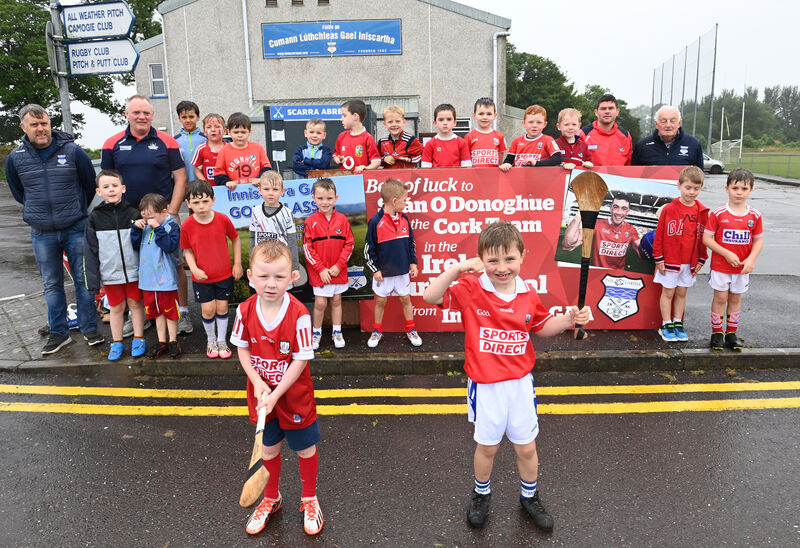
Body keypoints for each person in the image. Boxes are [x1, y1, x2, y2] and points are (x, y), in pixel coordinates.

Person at [422, 221, 590, 531]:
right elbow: (431, 297)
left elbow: (541, 328)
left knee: (526, 446)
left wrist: (568, 319)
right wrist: (459, 268)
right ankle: (481, 493)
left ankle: (530, 497)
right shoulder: (471, 287)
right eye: (493, 260)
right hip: (486, 386)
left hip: (520, 384)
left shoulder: (527, 293)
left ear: (523, 256)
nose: (502, 268)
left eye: (509, 259)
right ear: (481, 259)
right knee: (488, 447)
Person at [231, 240, 323, 537]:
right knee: (268, 449)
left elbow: (300, 360)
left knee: (305, 449)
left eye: (279, 276)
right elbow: (243, 351)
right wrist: (259, 384)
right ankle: (272, 498)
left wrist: (276, 393)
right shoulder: (244, 312)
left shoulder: (299, 315)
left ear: (293, 277)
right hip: (261, 396)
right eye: (264, 276)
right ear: (250, 276)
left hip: (293, 396)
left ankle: (309, 498)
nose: (271, 284)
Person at [5, 104, 103, 355]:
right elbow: (19, 193)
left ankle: (90, 327)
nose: (41, 129)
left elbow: (89, 185)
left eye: (44, 123)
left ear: (50, 124)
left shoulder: (72, 151)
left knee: (84, 281)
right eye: (35, 125)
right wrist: (38, 211)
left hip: (75, 227)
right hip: (42, 232)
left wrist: (76, 210)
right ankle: (59, 333)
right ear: (23, 127)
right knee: (52, 284)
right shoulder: (16, 158)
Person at [101, 95, 192, 336]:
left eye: (146, 113)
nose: (142, 117)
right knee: (135, 266)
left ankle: (181, 311)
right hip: (130, 218)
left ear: (152, 115)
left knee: (174, 264)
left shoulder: (168, 141)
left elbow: (180, 178)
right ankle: (142, 315)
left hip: (164, 214)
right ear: (126, 114)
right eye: (136, 112)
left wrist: (171, 212)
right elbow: (108, 181)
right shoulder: (112, 143)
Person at [84, 169, 146, 361]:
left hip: (134, 272)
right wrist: (93, 281)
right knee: (116, 308)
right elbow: (90, 250)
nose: (111, 190)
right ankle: (117, 342)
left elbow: (142, 244)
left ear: (123, 188)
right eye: (106, 187)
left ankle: (139, 338)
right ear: (98, 192)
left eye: (114, 186)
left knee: (136, 304)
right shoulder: (95, 217)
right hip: (110, 274)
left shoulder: (133, 213)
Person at [180, 180, 243, 359]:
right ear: (188, 203)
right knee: (208, 309)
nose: (201, 206)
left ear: (213, 200)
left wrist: (237, 263)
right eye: (196, 202)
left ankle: (222, 340)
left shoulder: (223, 219)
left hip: (223, 274)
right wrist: (194, 269)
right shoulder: (187, 225)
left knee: (222, 308)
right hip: (202, 277)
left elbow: (236, 239)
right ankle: (211, 340)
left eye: (205, 201)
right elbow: (188, 251)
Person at [702, 169, 763, 352]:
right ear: (727, 188)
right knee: (720, 297)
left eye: (744, 188)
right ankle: (717, 333)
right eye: (735, 187)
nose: (739, 192)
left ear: (751, 190)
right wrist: (726, 253)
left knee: (736, 298)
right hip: (721, 266)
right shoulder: (718, 213)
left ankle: (731, 333)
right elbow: (707, 238)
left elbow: (758, 240)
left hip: (741, 269)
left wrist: (751, 259)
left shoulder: (755, 215)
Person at [652, 166, 708, 342]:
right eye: (688, 187)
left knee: (682, 292)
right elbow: (659, 235)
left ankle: (677, 322)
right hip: (670, 260)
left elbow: (702, 238)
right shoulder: (669, 209)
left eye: (696, 188)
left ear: (701, 188)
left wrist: (702, 258)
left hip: (689, 261)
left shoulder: (702, 212)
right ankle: (666, 324)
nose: (691, 192)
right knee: (668, 292)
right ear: (679, 185)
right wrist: (659, 258)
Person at [364, 179, 421, 348]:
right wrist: (375, 269)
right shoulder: (376, 221)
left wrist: (413, 263)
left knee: (405, 299)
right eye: (405, 200)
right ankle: (377, 331)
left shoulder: (405, 219)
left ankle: (411, 329)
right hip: (383, 273)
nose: (406, 203)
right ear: (394, 201)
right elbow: (369, 249)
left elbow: (411, 243)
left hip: (402, 271)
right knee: (380, 301)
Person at [303, 178, 354, 350]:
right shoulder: (310, 221)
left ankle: (337, 332)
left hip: (337, 270)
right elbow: (307, 248)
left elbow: (349, 244)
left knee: (337, 300)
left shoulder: (343, 219)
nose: (325, 202)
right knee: (320, 303)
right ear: (314, 198)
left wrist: (339, 265)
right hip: (321, 272)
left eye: (329, 198)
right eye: (321, 198)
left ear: (336, 198)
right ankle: (316, 333)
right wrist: (320, 269)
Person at [131, 193, 182, 359]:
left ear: (164, 212)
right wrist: (136, 229)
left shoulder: (171, 227)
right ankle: (162, 341)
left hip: (165, 280)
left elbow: (169, 246)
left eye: (151, 217)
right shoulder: (145, 228)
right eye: (144, 217)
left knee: (169, 311)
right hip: (148, 280)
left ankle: (173, 340)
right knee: (157, 312)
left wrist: (158, 228)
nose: (147, 221)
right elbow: (135, 244)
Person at [562, 194, 643, 270]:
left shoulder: (631, 229)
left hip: (617, 277)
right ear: (610, 209)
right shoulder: (597, 225)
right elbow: (568, 245)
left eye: (624, 208)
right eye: (616, 207)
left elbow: (642, 253)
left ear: (628, 211)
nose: (619, 212)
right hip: (597, 274)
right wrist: (579, 215)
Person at [249, 171, 301, 275]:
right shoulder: (255, 211)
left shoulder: (287, 213)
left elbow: (292, 243)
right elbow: (252, 239)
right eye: (266, 189)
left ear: (282, 191)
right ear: (259, 190)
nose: (271, 193)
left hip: (281, 264)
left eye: (275, 189)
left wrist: (295, 267)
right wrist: (251, 264)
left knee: (281, 289)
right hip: (261, 264)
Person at [214, 112, 272, 189]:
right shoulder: (224, 150)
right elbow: (219, 172)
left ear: (250, 132)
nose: (240, 135)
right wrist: (226, 182)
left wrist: (260, 178)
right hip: (233, 193)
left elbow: (267, 168)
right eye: (236, 132)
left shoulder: (258, 148)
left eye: (243, 132)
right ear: (229, 132)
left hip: (256, 191)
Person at [632, 105, 704, 168]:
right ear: (656, 124)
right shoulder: (642, 145)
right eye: (664, 121)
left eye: (672, 121)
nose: (668, 125)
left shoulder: (694, 144)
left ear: (679, 123)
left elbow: (699, 177)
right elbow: (634, 176)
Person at [499, 105, 561, 171]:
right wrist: (506, 164)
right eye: (530, 122)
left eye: (539, 122)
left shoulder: (548, 140)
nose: (534, 125)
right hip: (518, 179)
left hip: (538, 179)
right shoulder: (517, 141)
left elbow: (557, 159)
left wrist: (536, 163)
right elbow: (509, 160)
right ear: (523, 123)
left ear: (544, 124)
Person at [580, 93, 633, 166]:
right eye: (603, 108)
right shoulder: (583, 134)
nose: (607, 111)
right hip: (590, 177)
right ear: (596, 112)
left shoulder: (626, 136)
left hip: (617, 177)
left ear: (617, 112)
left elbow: (629, 167)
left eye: (611, 108)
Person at [332, 99, 381, 173]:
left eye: (344, 115)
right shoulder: (341, 136)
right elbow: (335, 155)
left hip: (360, 179)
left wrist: (366, 168)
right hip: (343, 179)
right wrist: (337, 159)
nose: (341, 119)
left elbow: (376, 161)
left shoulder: (368, 138)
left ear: (355, 116)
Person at [421, 103, 472, 168]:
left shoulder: (462, 143)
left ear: (455, 123)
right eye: (441, 119)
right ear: (435, 123)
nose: (445, 123)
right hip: (436, 178)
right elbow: (425, 168)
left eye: (449, 119)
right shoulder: (430, 144)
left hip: (457, 178)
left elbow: (467, 167)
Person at [464, 98, 507, 167]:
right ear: (474, 116)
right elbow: (466, 158)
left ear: (494, 116)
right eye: (481, 114)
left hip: (493, 175)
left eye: (489, 114)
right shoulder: (469, 136)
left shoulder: (500, 136)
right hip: (474, 176)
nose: (485, 117)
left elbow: (501, 156)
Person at [378, 105, 423, 169]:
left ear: (404, 122)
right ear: (385, 124)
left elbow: (422, 154)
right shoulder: (382, 142)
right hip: (388, 177)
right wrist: (384, 159)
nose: (394, 124)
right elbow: (376, 159)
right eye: (390, 122)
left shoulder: (411, 139)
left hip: (407, 176)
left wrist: (410, 160)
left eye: (398, 121)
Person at [174, 100, 206, 184]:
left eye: (191, 117)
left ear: (198, 117)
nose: (188, 120)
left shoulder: (206, 139)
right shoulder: (174, 141)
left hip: (204, 186)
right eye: (184, 117)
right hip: (182, 187)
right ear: (179, 118)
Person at [192, 113, 226, 183]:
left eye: (217, 126)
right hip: (209, 190)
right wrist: (205, 185)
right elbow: (197, 171)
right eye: (209, 127)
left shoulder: (230, 148)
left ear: (225, 131)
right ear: (204, 132)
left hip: (228, 189)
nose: (213, 129)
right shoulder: (201, 149)